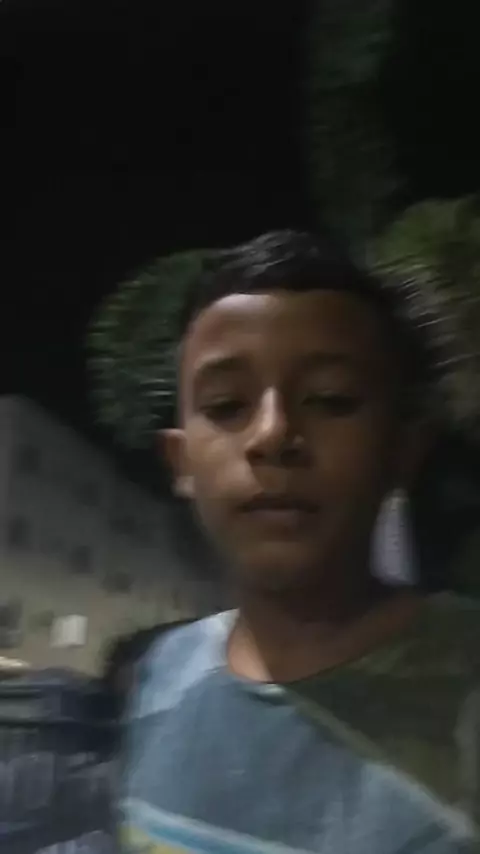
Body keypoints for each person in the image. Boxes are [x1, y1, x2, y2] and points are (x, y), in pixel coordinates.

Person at [120, 230, 480, 853]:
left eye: (331, 399)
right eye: (227, 405)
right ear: (180, 462)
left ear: (403, 449)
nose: (272, 433)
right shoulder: (162, 674)